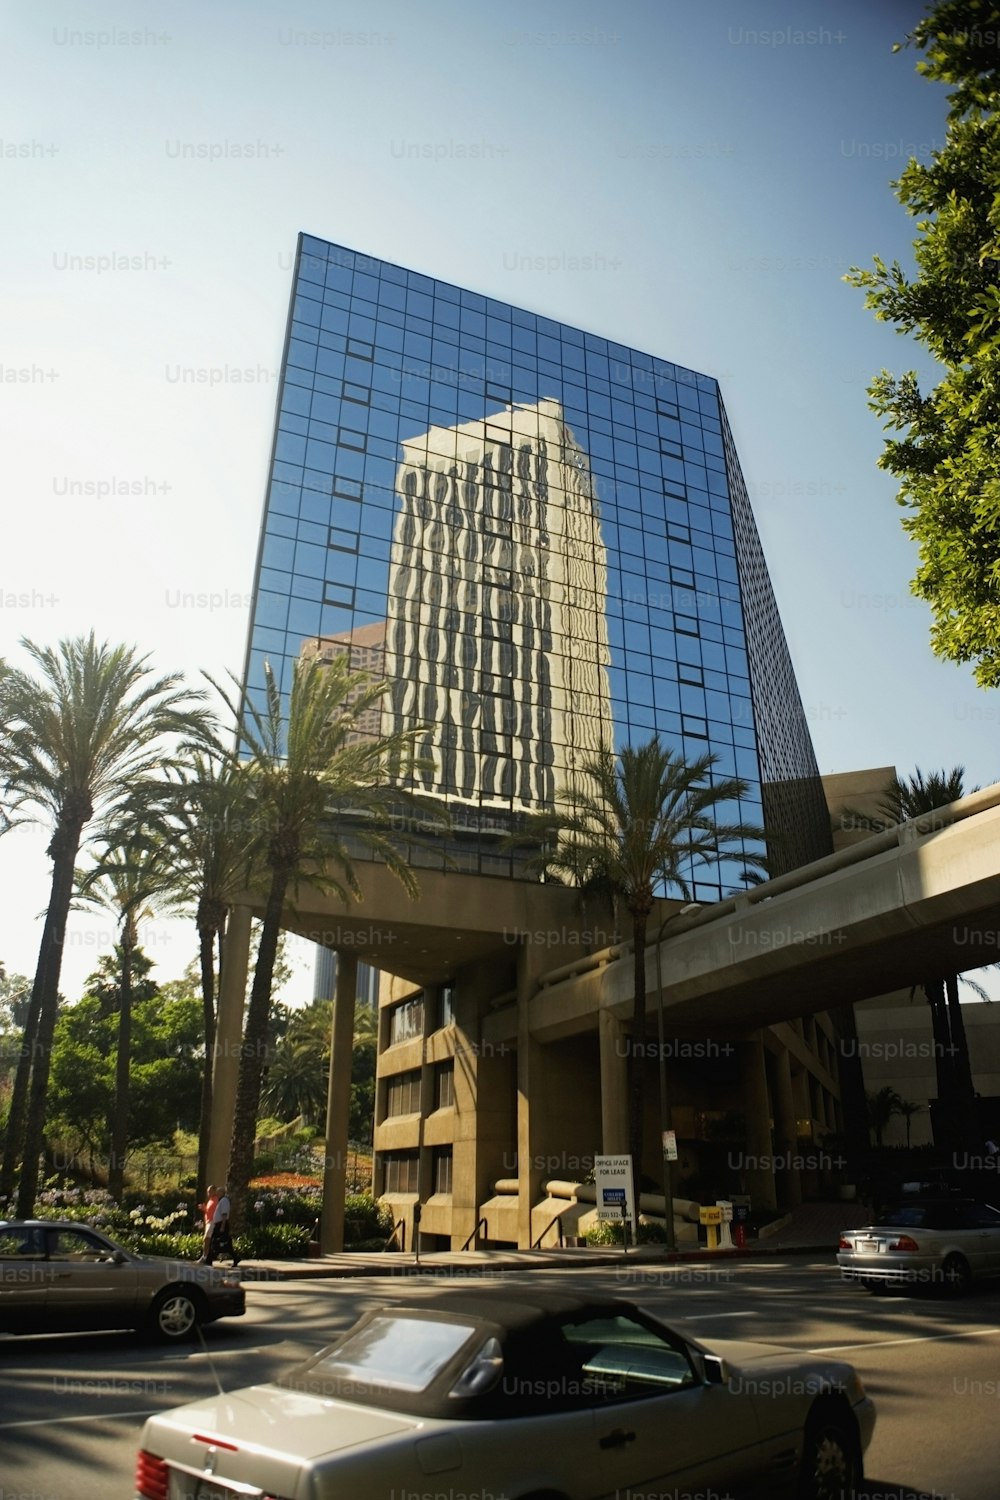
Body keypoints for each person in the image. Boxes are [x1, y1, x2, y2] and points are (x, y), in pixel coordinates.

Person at [206, 1185, 239, 1267]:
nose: (217, 1193)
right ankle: (235, 1257)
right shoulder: (221, 1200)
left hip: (221, 1224)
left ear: (222, 1192)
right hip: (218, 1224)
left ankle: (209, 1259)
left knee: (216, 1242)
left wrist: (222, 1226)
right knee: (221, 1243)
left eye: (218, 1192)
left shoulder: (224, 1201)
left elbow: (224, 1214)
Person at [197, 1185, 218, 1263]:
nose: (208, 1193)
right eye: (208, 1191)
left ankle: (205, 1256)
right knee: (206, 1239)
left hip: (213, 1221)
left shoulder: (216, 1200)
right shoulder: (210, 1200)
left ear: (214, 1191)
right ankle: (206, 1256)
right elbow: (209, 1211)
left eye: (210, 1191)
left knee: (207, 1238)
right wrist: (204, 1208)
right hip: (208, 1221)